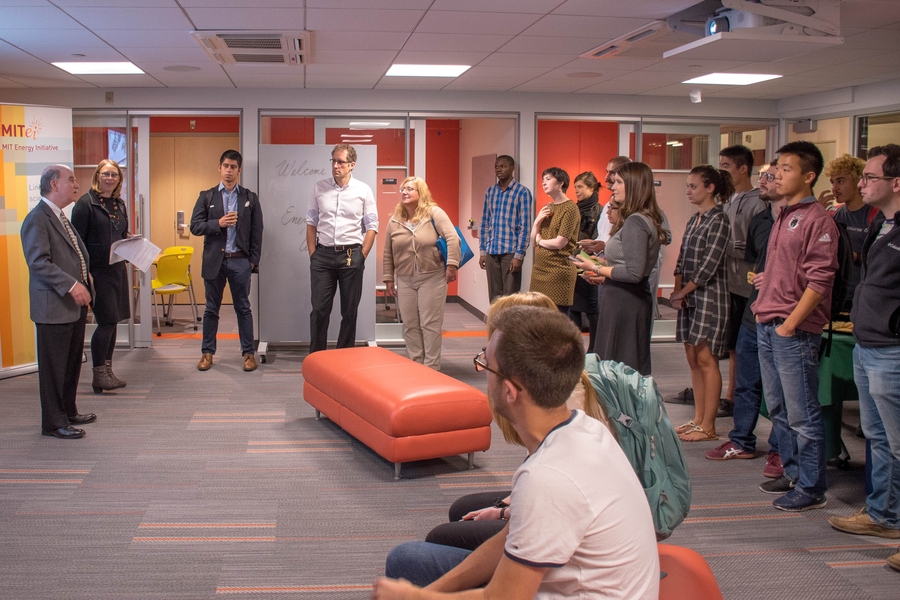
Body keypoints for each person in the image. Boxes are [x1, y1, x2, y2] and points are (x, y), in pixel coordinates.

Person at [373, 306, 659, 599]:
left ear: (510, 390)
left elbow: (501, 597)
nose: (482, 368)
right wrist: (432, 593)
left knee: (405, 559)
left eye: (486, 362)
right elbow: (508, 540)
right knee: (411, 559)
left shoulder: (546, 479)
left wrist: (416, 597)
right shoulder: (587, 428)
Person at [424, 292, 611, 552]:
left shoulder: (565, 411)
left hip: (574, 534)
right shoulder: (557, 396)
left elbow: (553, 506)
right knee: (461, 511)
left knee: (436, 542)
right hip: (566, 511)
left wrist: (503, 514)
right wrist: (507, 507)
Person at [753, 141, 837, 512]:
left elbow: (820, 281)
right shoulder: (784, 214)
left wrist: (789, 324)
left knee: (802, 412)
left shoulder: (818, 219)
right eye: (777, 167)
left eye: (786, 168)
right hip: (768, 322)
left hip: (793, 331)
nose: (777, 174)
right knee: (779, 409)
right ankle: (792, 472)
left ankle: (812, 486)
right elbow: (792, 270)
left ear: (809, 176)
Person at [828, 144, 900, 572]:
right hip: (867, 346)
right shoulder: (882, 226)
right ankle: (883, 516)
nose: (861, 183)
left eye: (869, 177)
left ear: (895, 182)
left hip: (891, 352)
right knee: (879, 441)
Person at [705, 161, 785, 478]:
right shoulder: (761, 219)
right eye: (762, 175)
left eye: (772, 175)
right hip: (754, 312)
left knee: (780, 393)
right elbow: (755, 259)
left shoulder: (807, 221)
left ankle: (781, 450)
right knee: (746, 384)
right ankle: (741, 441)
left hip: (784, 318)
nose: (763, 180)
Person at [21, 165, 96, 439]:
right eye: (71, 179)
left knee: (71, 362)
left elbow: (74, 255)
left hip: (71, 306)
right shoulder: (37, 219)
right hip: (53, 305)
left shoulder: (61, 217)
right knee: (54, 367)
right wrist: (72, 284)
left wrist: (84, 280)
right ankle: (53, 422)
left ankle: (68, 410)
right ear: (54, 184)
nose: (77, 184)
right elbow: (39, 263)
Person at [575, 162, 666, 376]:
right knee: (617, 371)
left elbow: (633, 273)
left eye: (618, 182)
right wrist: (603, 271)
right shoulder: (640, 218)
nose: (612, 186)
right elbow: (627, 265)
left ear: (633, 186)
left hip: (626, 303)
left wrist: (596, 268)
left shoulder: (636, 221)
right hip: (622, 298)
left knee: (621, 373)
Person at [670, 166, 733, 443]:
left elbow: (709, 266)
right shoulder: (695, 219)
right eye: (687, 186)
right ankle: (698, 419)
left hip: (710, 296)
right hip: (689, 296)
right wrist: (678, 290)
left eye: (693, 186)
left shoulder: (718, 220)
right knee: (693, 359)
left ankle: (709, 425)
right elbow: (682, 258)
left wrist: (683, 291)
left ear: (710, 188)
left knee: (707, 359)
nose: (688, 191)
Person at [190, 149, 263, 372]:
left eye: (233, 167)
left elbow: (257, 231)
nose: (229, 170)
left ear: (239, 170)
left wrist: (252, 261)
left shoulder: (249, 197)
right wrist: (218, 223)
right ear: (219, 168)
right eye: (225, 166)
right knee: (211, 309)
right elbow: (195, 226)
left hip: (240, 261)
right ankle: (207, 353)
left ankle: (248, 354)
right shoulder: (207, 196)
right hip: (215, 262)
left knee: (243, 308)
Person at [306, 144, 378, 353]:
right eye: (333, 161)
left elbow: (372, 226)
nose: (335, 165)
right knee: (319, 310)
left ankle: (343, 357)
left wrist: (361, 256)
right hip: (323, 256)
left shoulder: (363, 190)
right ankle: (317, 356)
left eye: (340, 162)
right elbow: (311, 222)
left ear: (352, 165)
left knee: (349, 311)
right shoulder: (319, 188)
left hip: (351, 256)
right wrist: (313, 255)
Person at [383, 177, 460, 370]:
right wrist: (388, 278)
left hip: (432, 276)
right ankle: (416, 364)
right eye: (403, 189)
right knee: (410, 324)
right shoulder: (394, 220)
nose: (405, 192)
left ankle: (432, 367)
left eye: (410, 189)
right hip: (405, 278)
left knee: (430, 324)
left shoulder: (434, 213)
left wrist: (451, 265)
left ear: (421, 194)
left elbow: (452, 238)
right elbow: (387, 251)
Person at [71, 159, 130, 393]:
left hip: (116, 269)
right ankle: (99, 373)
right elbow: (77, 242)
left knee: (113, 321)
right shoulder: (86, 204)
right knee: (106, 321)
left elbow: (117, 231)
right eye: (106, 174)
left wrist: (129, 238)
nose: (110, 178)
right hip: (98, 272)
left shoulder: (119, 204)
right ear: (97, 175)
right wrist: (85, 273)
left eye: (114, 175)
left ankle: (107, 371)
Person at [718, 145, 766, 418]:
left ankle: (734, 395)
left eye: (726, 166)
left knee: (741, 344)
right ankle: (731, 392)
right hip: (729, 280)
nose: (722, 170)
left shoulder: (757, 200)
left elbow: (751, 245)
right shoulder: (728, 199)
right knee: (732, 342)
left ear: (742, 168)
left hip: (747, 282)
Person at [825, 154, 884, 313]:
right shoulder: (832, 214)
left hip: (864, 298)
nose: (835, 188)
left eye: (841, 181)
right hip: (836, 296)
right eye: (833, 182)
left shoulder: (876, 216)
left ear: (858, 182)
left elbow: (885, 260)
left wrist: (856, 257)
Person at [478, 155, 534, 303]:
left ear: (512, 168)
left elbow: (525, 227)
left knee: (510, 296)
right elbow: (485, 223)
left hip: (510, 252)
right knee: (494, 297)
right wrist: (483, 251)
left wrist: (519, 255)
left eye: (503, 166)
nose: (499, 170)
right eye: (496, 167)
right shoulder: (490, 192)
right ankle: (496, 326)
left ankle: (510, 326)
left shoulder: (522, 192)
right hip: (492, 251)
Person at [528, 167, 580, 312]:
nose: (544, 182)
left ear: (561, 183)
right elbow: (532, 241)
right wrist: (536, 222)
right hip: (540, 269)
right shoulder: (548, 207)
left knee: (556, 318)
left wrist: (540, 241)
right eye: (543, 179)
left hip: (559, 270)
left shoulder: (570, 208)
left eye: (548, 179)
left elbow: (559, 243)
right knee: (538, 315)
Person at [568, 171, 602, 349]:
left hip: (591, 264)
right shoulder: (574, 208)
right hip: (573, 263)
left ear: (591, 188)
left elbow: (598, 238)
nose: (577, 191)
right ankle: (574, 349)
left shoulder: (600, 210)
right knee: (573, 307)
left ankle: (594, 349)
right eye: (575, 187)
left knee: (592, 309)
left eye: (580, 187)